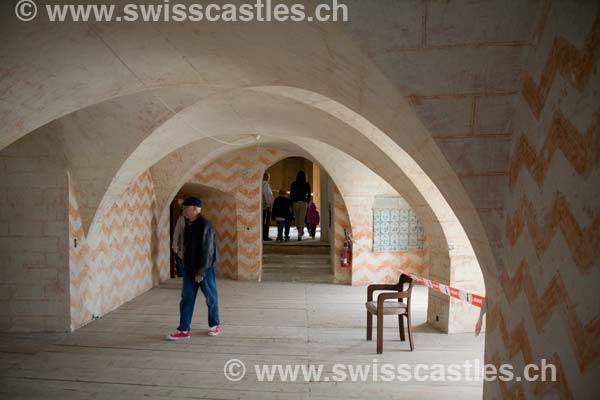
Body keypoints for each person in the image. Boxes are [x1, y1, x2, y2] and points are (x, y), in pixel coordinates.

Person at [167, 197, 220, 340]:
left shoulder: (205, 225)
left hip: (205, 269)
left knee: (210, 297)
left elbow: (208, 250)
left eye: (185, 208)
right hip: (190, 268)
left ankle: (214, 325)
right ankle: (184, 329)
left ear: (195, 209)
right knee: (187, 297)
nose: (183, 210)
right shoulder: (188, 224)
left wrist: (201, 271)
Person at [289, 171, 311, 241]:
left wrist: (292, 201)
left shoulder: (294, 183)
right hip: (303, 203)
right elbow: (309, 195)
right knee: (301, 220)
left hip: (296, 203)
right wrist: (307, 202)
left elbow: (291, 193)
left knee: (297, 220)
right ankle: (300, 233)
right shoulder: (306, 184)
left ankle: (299, 234)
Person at [171, 208, 185, 277]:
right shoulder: (181, 220)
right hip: (181, 248)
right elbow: (176, 233)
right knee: (180, 267)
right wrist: (174, 246)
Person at [262, 172, 274, 241]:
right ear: (267, 178)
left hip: (259, 206)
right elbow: (268, 195)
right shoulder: (265, 184)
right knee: (265, 222)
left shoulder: (258, 183)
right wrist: (270, 205)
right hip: (265, 206)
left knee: (261, 222)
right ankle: (265, 236)